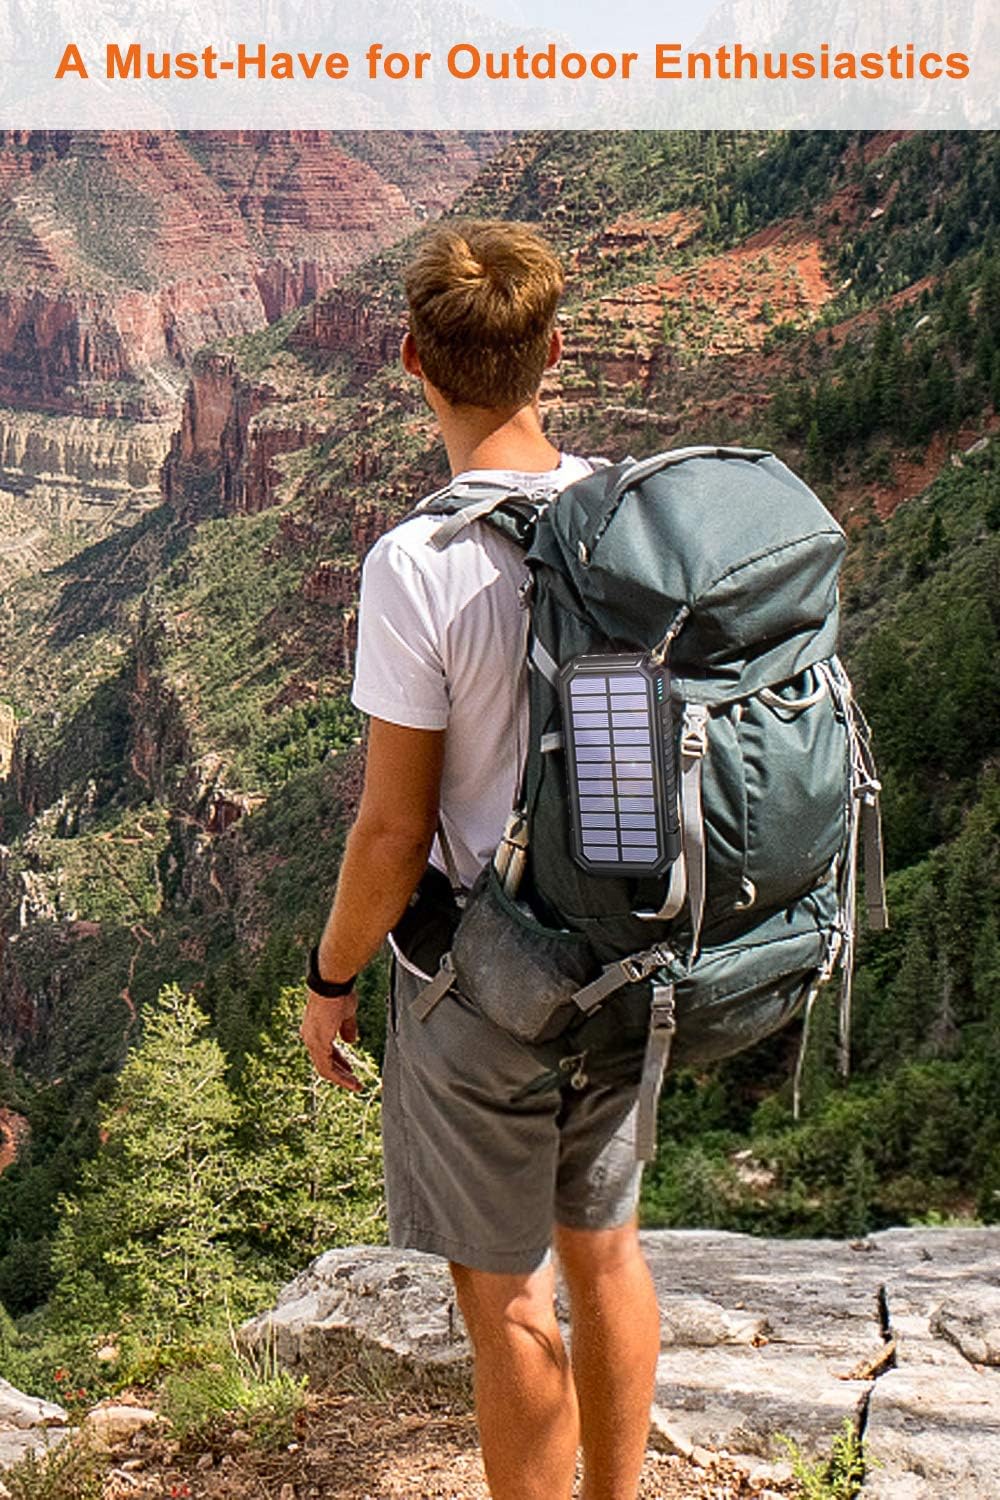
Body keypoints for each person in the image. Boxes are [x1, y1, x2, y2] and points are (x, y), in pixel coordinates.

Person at [300, 219, 660, 1500]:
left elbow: (393, 832)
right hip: (629, 948)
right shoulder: (632, 516)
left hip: (485, 982)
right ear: (555, 351)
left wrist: (330, 977)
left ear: (410, 361)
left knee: (505, 1298)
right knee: (605, 1252)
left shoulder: (417, 563)